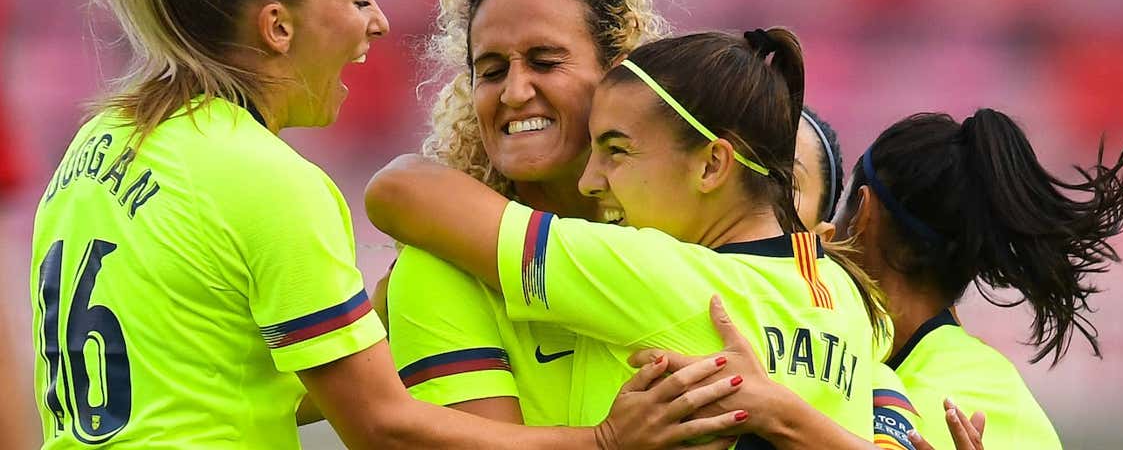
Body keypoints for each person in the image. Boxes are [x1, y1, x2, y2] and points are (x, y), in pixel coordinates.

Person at [28, 0, 743, 449]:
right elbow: (382, 427)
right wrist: (605, 442)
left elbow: (220, 371)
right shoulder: (267, 180)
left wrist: (368, 323)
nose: (376, 23)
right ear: (278, 27)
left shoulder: (96, 145)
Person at [367, 28, 910, 448]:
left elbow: (399, 191)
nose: (590, 179)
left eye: (616, 150)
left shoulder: (659, 274)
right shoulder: (846, 294)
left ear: (712, 164)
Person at [384, 0, 671, 424]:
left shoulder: (689, 243)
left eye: (544, 62)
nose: (515, 93)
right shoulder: (439, 268)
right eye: (491, 71)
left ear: (619, 76)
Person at [830, 110, 1123, 449]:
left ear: (864, 213)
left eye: (841, 205)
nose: (826, 231)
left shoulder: (845, 395)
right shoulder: (1001, 393)